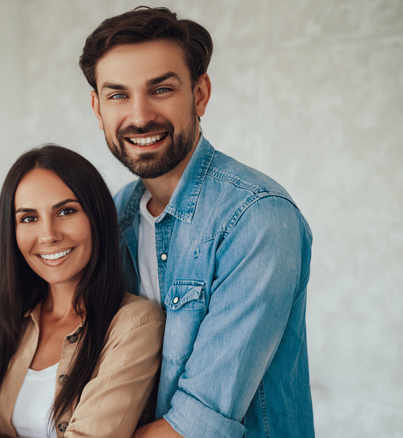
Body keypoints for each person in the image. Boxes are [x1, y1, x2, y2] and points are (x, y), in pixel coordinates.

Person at [79, 6, 314, 438]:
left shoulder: (258, 216)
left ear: (200, 93)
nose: (139, 115)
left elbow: (198, 424)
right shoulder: (111, 217)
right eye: (117, 95)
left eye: (161, 89)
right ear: (97, 108)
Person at [0, 145, 165, 438]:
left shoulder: (135, 325)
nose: (48, 235)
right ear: (13, 232)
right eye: (29, 218)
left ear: (96, 217)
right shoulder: (1, 316)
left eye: (66, 211)